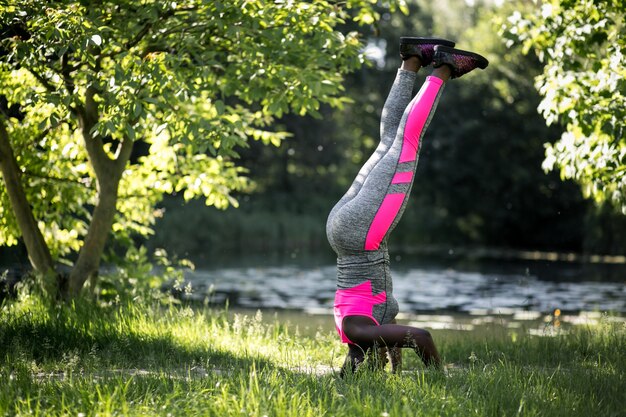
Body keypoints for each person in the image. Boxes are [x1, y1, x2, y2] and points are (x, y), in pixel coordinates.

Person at [326, 37, 488, 376]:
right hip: (341, 231)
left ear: (364, 362)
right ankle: (412, 60)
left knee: (407, 142)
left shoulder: (361, 333)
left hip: (362, 233)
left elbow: (421, 337)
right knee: (389, 140)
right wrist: (392, 352)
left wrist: (436, 377)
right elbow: (385, 314)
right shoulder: (356, 333)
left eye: (379, 366)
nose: (385, 361)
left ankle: (444, 67)